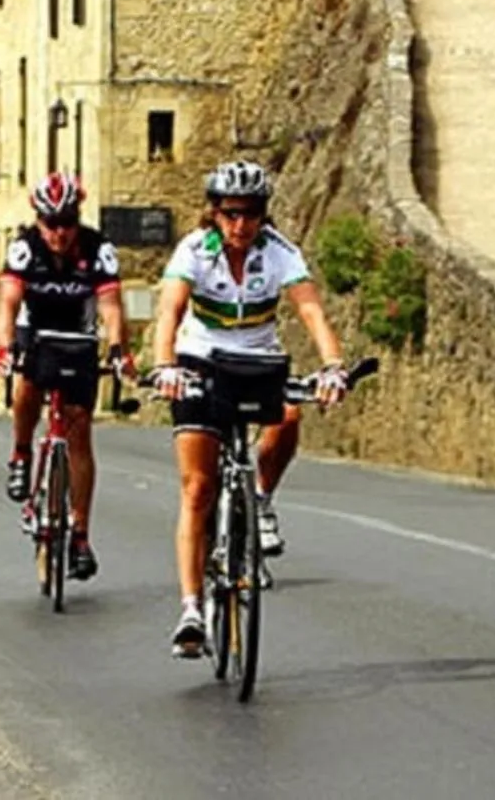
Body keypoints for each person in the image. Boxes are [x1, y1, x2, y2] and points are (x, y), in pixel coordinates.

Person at [150, 159, 351, 657]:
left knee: (288, 417)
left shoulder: (278, 252)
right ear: (215, 213)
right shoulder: (194, 250)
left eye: (252, 214)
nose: (242, 225)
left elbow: (310, 310)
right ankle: (192, 609)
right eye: (232, 214)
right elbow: (170, 311)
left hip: (259, 358)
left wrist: (333, 366)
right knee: (198, 487)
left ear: (264, 214)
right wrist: (164, 365)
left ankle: (259, 497)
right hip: (201, 359)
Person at [0, 172, 130, 582]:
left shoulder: (98, 248)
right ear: (38, 221)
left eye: (67, 221)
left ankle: (81, 536)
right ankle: (21, 453)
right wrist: (3, 348)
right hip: (35, 330)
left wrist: (119, 349)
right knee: (29, 383)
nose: (59, 232)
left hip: (77, 335)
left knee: (80, 431)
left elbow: (110, 307)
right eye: (51, 223)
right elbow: (8, 302)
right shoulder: (25, 248)